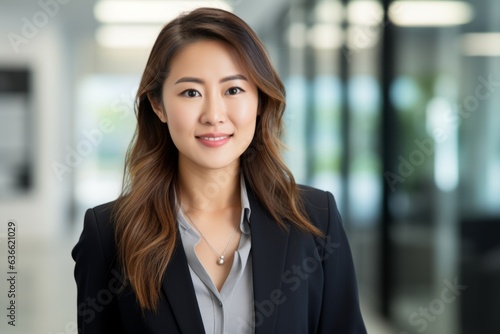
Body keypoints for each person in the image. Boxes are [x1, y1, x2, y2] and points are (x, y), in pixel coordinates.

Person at [72, 7, 366, 334]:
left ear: (259, 100)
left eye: (233, 90)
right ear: (158, 105)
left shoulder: (315, 219)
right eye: (191, 92)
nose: (214, 115)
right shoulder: (109, 234)